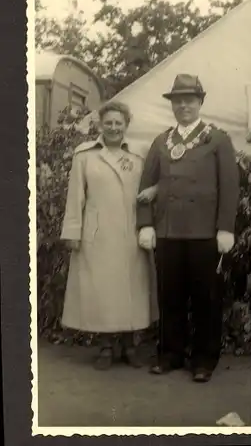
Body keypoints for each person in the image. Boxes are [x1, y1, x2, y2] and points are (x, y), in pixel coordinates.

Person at [136, 74, 239, 383]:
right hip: (168, 231)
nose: (183, 105)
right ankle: (170, 354)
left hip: (205, 232)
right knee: (170, 297)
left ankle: (204, 360)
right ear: (172, 105)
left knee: (206, 298)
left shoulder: (218, 139)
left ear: (200, 102)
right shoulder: (161, 141)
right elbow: (145, 186)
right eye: (177, 101)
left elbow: (230, 187)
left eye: (189, 100)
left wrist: (225, 228)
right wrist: (145, 224)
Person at [60, 101, 158, 371]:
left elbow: (152, 191)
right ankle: (104, 346)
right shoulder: (85, 155)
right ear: (100, 125)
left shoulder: (139, 155)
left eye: (119, 123)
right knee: (102, 290)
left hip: (130, 232)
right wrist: (73, 231)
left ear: (126, 125)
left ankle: (129, 346)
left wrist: (149, 227)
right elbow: (75, 197)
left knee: (130, 290)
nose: (114, 128)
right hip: (98, 233)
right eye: (109, 123)